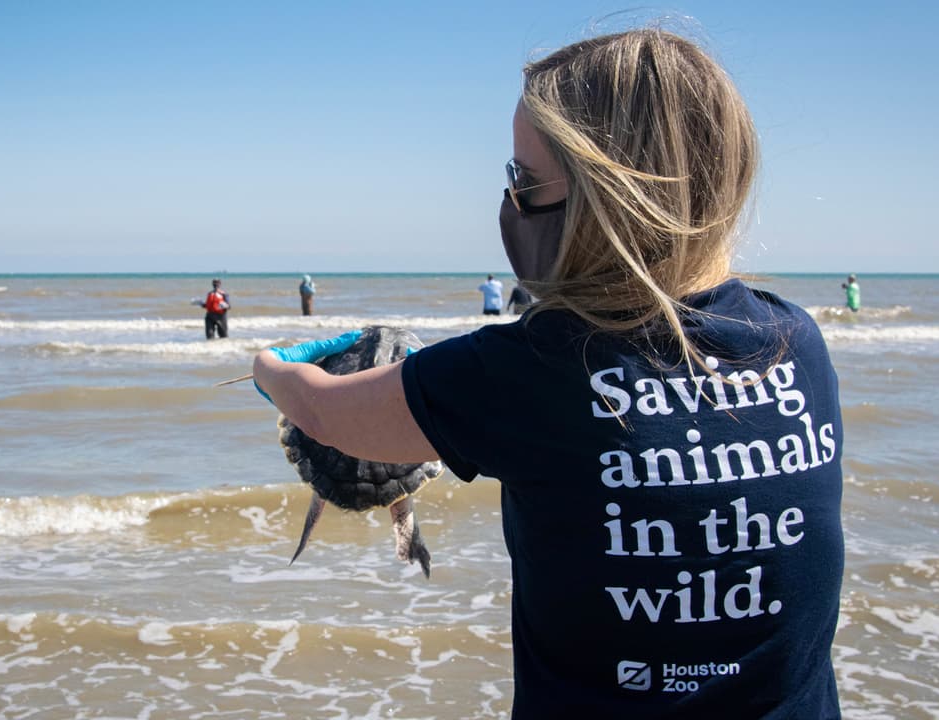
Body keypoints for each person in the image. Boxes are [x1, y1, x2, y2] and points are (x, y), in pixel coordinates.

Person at [254, 28, 843, 719]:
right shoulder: (795, 340)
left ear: (610, 197)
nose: (512, 201)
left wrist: (269, 366)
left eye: (523, 182)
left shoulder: (529, 368)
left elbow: (326, 414)